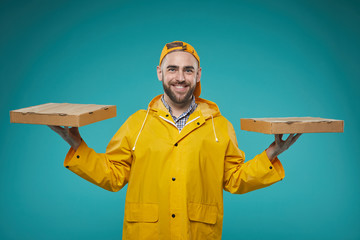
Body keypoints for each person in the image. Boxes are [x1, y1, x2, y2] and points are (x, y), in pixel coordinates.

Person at [49, 41, 301, 240]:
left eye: (188, 69)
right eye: (172, 69)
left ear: (198, 74)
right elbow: (113, 176)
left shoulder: (219, 126)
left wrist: (271, 153)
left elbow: (234, 179)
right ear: (160, 73)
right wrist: (77, 147)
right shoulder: (137, 124)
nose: (180, 77)